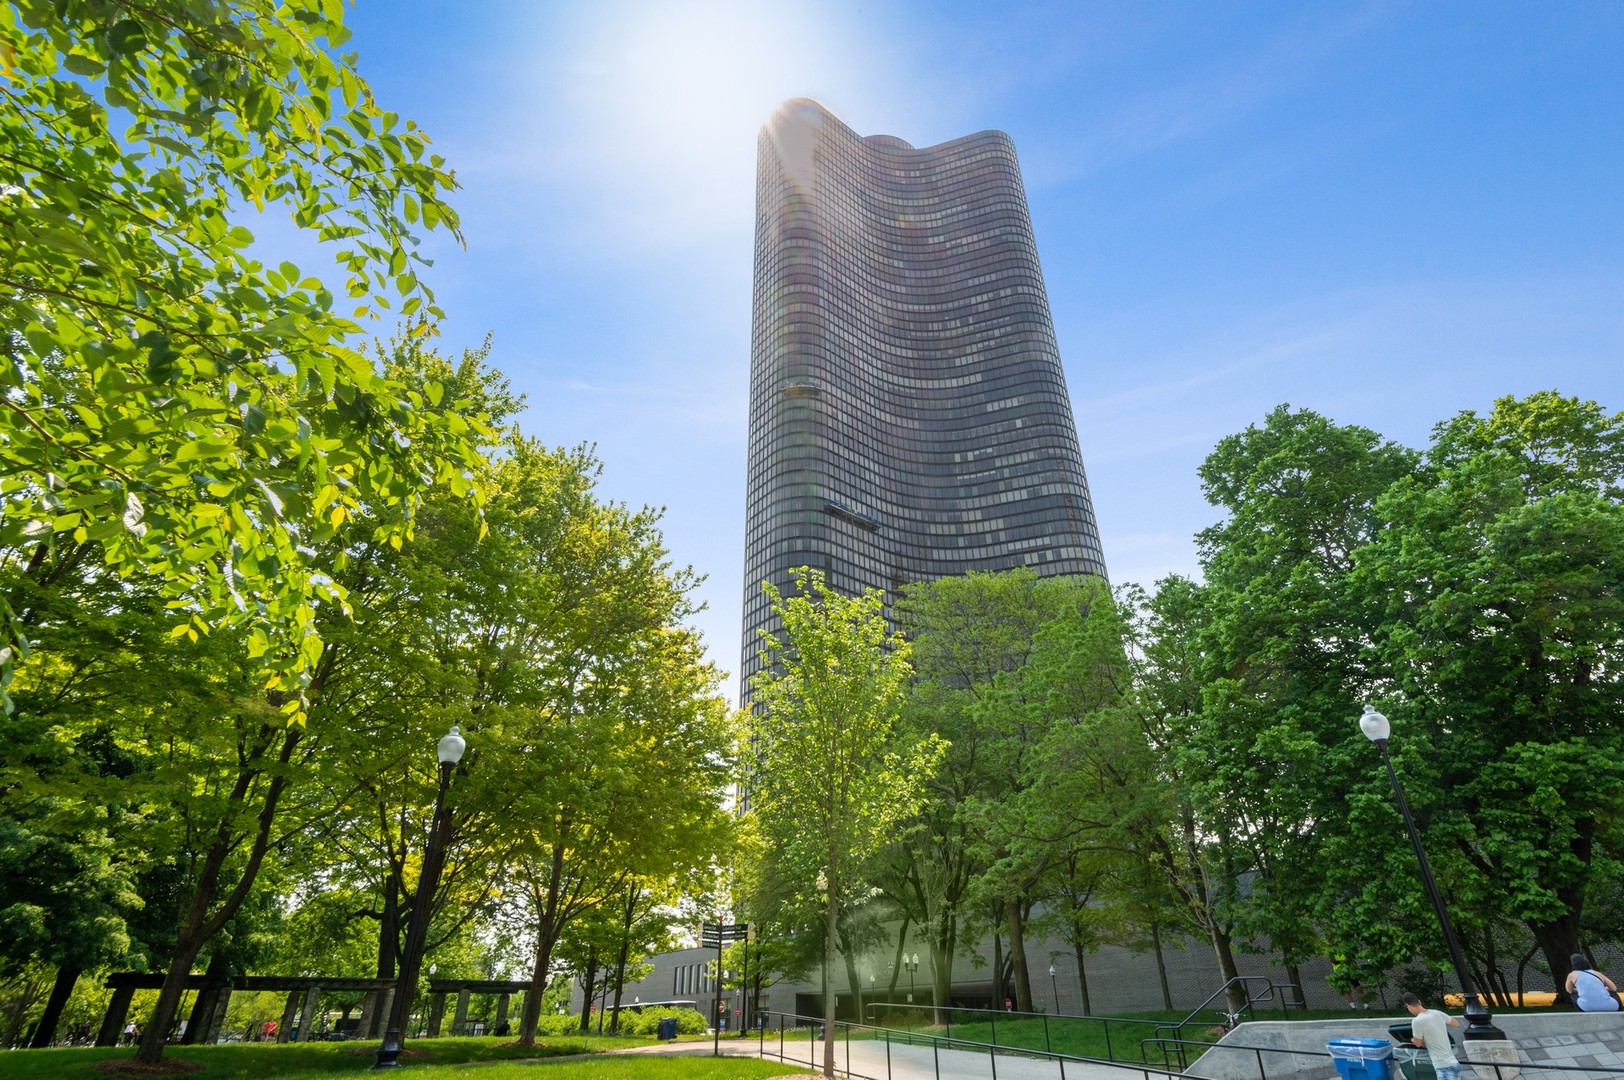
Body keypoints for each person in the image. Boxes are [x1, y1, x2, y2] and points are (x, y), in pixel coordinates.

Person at [1402, 993, 1460, 1080]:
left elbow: (1418, 1044)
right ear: (1419, 1002)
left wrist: (1413, 1040)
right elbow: (1456, 1023)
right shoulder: (1437, 1013)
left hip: (1443, 1066)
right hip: (1454, 1063)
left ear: (1408, 1005)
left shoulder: (1417, 1021)